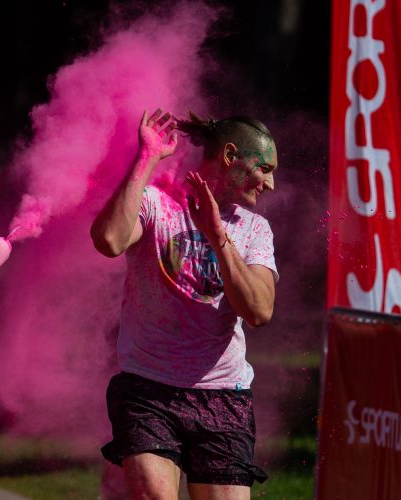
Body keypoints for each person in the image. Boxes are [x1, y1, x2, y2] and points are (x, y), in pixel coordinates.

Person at [91, 107, 279, 500]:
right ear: (231, 157)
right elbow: (108, 240)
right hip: (148, 390)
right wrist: (145, 160)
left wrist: (217, 237)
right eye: (264, 168)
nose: (271, 183)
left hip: (224, 396)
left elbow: (259, 311)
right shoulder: (158, 203)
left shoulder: (254, 229)